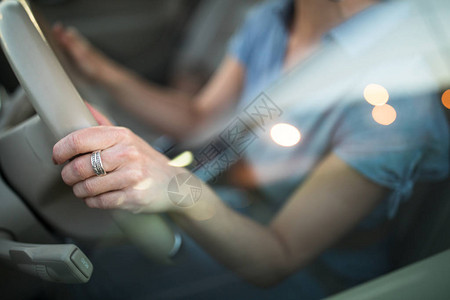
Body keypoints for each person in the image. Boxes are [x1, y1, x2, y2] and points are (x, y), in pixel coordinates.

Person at [52, 0, 449, 299]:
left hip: (317, 271)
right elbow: (199, 118)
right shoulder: (274, 17)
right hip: (238, 201)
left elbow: (277, 256)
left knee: (98, 283)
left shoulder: (394, 102)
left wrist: (172, 184)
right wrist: (99, 70)